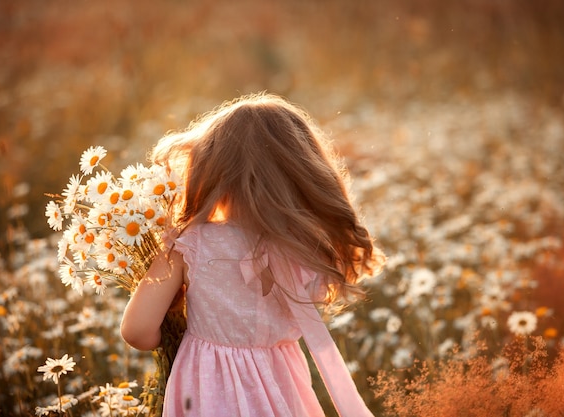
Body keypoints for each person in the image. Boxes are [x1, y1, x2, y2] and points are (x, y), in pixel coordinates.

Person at [121, 92, 385, 417]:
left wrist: (176, 328)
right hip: (283, 390)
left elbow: (137, 331)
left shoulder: (191, 244)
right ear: (302, 175)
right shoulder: (307, 247)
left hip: (206, 390)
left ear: (211, 171)